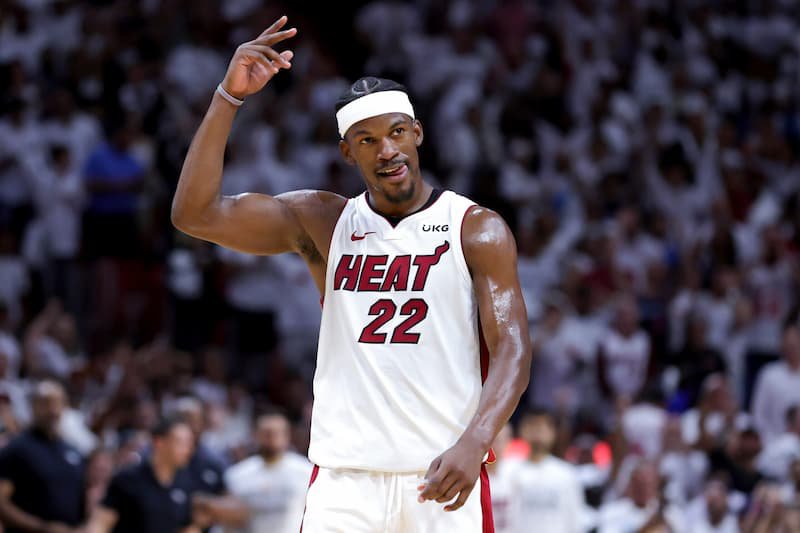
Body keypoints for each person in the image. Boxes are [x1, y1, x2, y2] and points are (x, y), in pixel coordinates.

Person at [171, 15, 531, 532]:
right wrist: (228, 98)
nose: (387, 151)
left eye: (397, 133)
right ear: (347, 151)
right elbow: (195, 215)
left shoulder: (475, 228)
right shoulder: (324, 221)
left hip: (442, 468)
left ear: (417, 134)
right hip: (345, 479)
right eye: (366, 140)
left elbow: (513, 348)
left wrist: (476, 441)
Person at [86, 416, 201, 533]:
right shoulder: (128, 479)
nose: (188, 449)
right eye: (181, 443)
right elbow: (100, 524)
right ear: (159, 442)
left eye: (190, 443)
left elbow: (186, 527)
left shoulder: (184, 483)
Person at [0, 380, 85, 533]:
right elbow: (1, 503)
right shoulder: (16, 449)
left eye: (58, 403)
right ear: (33, 406)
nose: (52, 410)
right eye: (46, 403)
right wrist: (42, 527)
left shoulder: (73, 452)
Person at [224, 410, 312, 533]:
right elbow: (229, 517)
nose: (271, 439)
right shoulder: (237, 474)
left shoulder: (305, 471)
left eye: (276, 434)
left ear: (287, 436)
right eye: (266, 433)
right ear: (256, 435)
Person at [504, 408, 586, 533]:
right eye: (532, 425)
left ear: (553, 432)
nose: (537, 432)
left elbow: (575, 519)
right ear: (522, 430)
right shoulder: (509, 471)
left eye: (542, 427)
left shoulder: (566, 474)